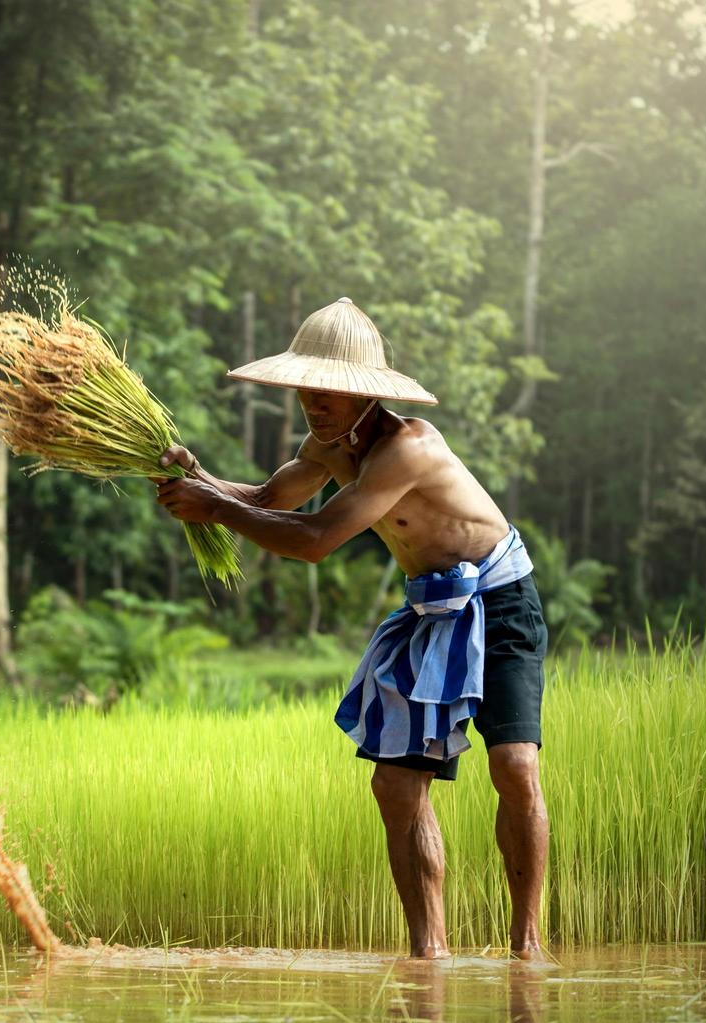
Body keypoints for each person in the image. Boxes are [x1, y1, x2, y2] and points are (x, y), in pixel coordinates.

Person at [155, 296, 550, 962]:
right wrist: (194, 480)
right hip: (431, 609)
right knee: (395, 784)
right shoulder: (325, 446)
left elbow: (314, 538)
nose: (314, 398)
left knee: (512, 766)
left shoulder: (409, 448)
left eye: (329, 386)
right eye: (305, 385)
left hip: (501, 600)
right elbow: (267, 501)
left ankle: (528, 945)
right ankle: (430, 955)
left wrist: (211, 505)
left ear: (365, 391)